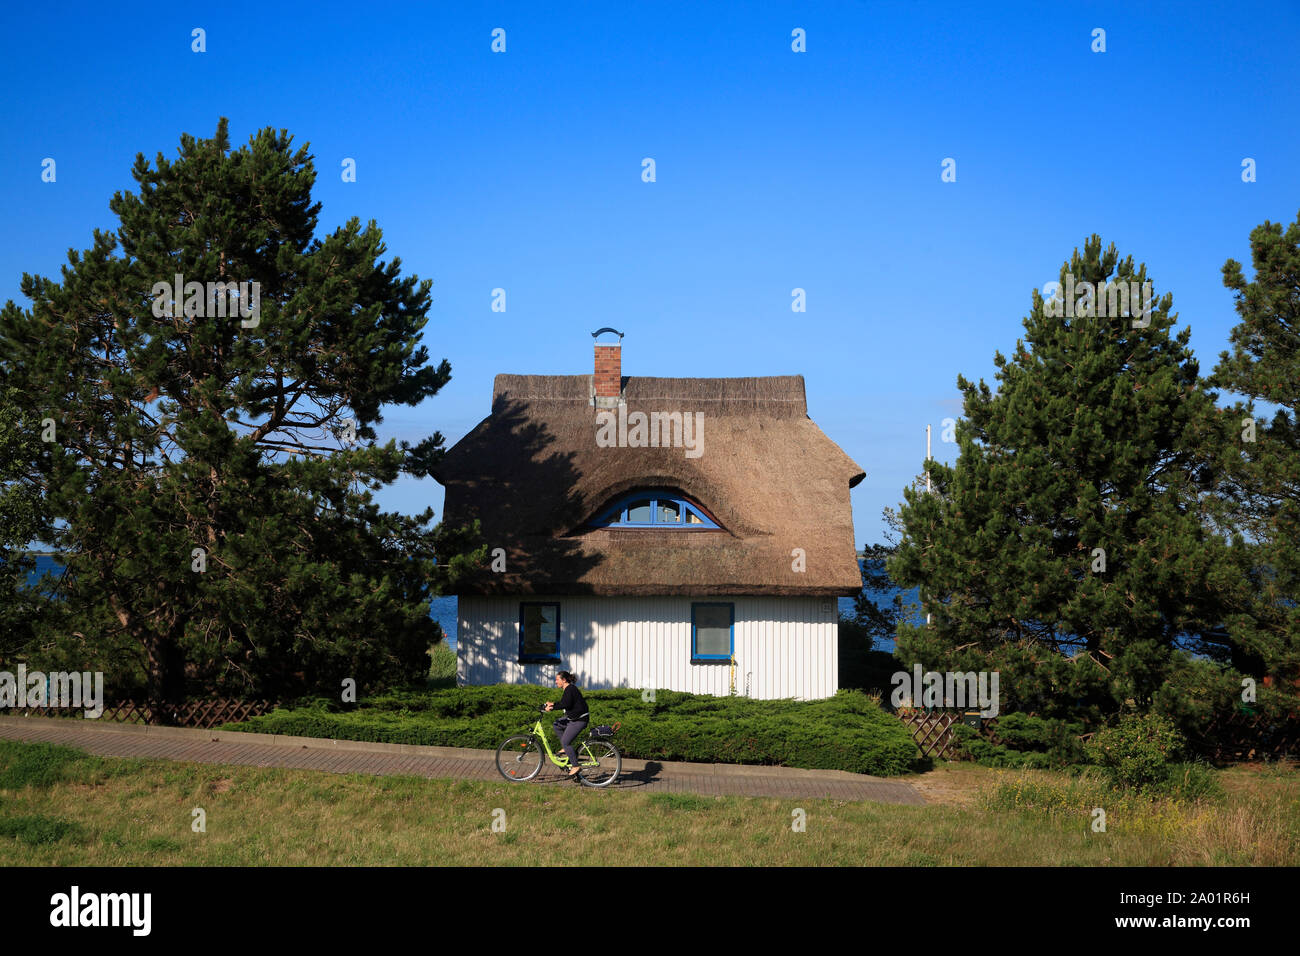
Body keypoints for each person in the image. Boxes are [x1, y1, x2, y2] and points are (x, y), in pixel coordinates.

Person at [543, 671, 589, 778]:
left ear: (564, 680)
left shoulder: (570, 689)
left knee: (565, 742)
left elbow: (566, 704)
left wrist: (552, 707)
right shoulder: (569, 689)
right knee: (557, 724)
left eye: (557, 679)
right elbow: (565, 702)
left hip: (579, 720)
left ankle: (575, 766)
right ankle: (565, 748)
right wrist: (553, 704)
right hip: (574, 718)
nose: (556, 682)